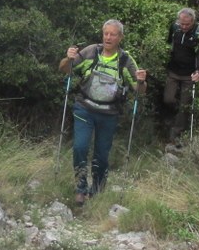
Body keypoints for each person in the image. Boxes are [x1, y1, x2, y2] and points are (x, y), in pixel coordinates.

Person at [59, 20, 147, 205]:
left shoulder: (125, 61)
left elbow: (138, 90)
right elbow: (65, 69)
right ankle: (80, 188)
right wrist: (69, 58)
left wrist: (141, 81)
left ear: (120, 37)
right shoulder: (90, 51)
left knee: (101, 155)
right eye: (106, 33)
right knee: (80, 147)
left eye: (113, 34)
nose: (108, 37)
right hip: (84, 108)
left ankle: (97, 191)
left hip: (109, 114)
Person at [163, 8, 199, 146]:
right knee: (168, 99)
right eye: (182, 24)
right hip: (173, 71)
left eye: (187, 24)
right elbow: (168, 44)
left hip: (189, 75)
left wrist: (198, 70)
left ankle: (176, 133)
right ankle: (171, 119)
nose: (184, 27)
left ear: (193, 21)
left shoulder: (198, 32)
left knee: (184, 106)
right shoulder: (174, 28)